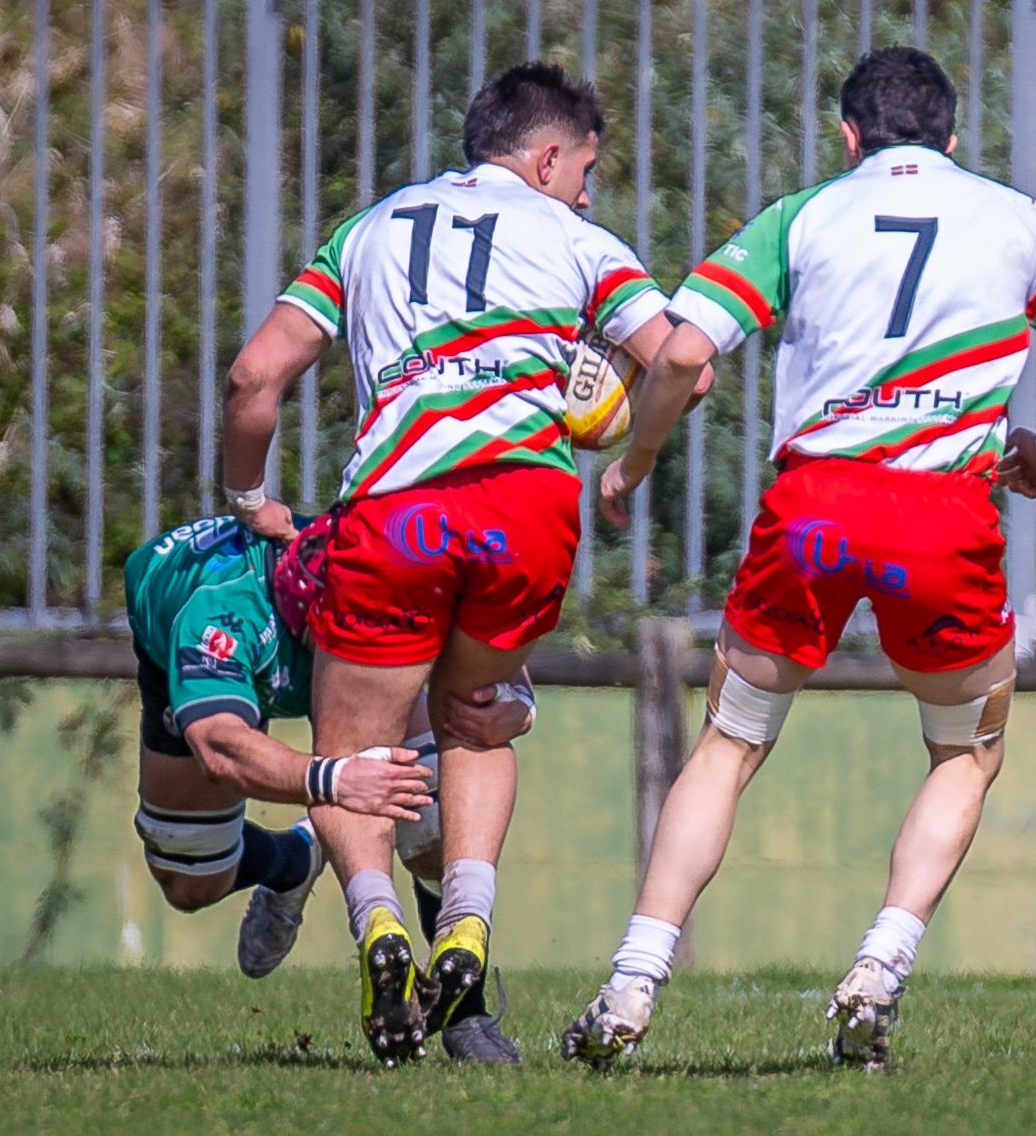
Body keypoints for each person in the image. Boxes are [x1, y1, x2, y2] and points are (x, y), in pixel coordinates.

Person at [561, 46, 1036, 1070]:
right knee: (964, 751)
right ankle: (880, 964)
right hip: (942, 516)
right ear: (953, 137)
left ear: (848, 135)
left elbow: (687, 351)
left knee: (732, 744)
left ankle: (632, 982)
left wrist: (634, 461)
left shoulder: (803, 216)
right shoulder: (1018, 221)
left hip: (816, 509)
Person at [219, 62, 707, 1066]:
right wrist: (626, 444)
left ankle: (378, 924)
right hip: (524, 511)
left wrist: (247, 499)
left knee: (352, 747)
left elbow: (255, 373)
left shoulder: (368, 230)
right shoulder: (577, 240)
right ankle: (468, 933)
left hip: (395, 516)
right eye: (585, 170)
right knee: (478, 721)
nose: (586, 190)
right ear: (546, 155)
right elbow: (680, 362)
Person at [124, 512, 533, 1062]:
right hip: (185, 640)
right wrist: (333, 781)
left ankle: (465, 1016)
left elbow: (490, 650)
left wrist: (518, 706)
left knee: (433, 821)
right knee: (189, 877)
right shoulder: (221, 616)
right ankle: (295, 857)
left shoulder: (391, 569)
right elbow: (219, 746)